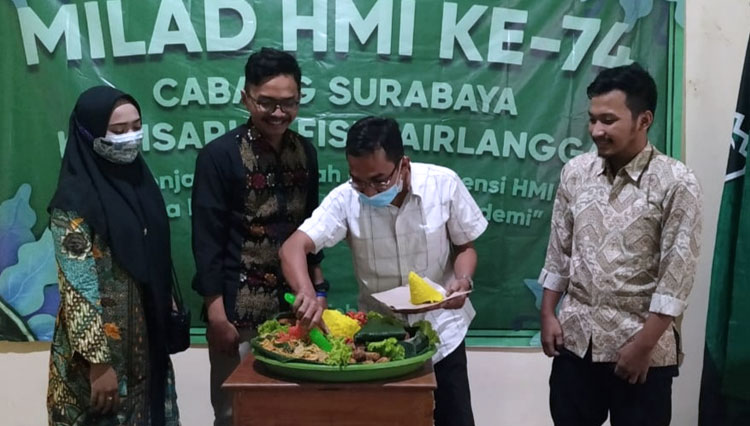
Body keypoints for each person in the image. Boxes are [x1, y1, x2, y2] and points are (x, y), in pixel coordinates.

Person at [279, 116, 487, 426]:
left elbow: (464, 247)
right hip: (379, 345)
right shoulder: (346, 198)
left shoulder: (443, 184)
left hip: (443, 333)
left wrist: (463, 278)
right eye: (358, 180)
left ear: (403, 164)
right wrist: (306, 292)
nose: (370, 192)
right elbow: (293, 247)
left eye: (379, 180)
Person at [538, 63, 703, 426]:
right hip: (576, 342)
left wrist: (643, 346)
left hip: (642, 351)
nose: (597, 131)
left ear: (643, 120)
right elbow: (558, 251)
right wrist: (549, 314)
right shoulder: (576, 172)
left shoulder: (676, 182)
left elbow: (677, 275)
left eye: (609, 121)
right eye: (592, 119)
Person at [191, 47, 324, 426]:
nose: (279, 113)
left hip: (295, 309)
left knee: (293, 410)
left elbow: (311, 230)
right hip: (238, 311)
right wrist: (216, 316)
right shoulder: (219, 156)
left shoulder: (306, 152)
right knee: (237, 411)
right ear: (245, 97)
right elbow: (206, 240)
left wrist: (319, 291)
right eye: (267, 102)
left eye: (289, 103)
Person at [46, 86, 179, 425]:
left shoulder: (140, 183)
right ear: (89, 134)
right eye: (118, 131)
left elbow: (157, 255)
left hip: (147, 342)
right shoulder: (72, 201)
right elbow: (77, 287)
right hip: (98, 357)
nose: (131, 138)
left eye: (136, 126)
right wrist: (98, 363)